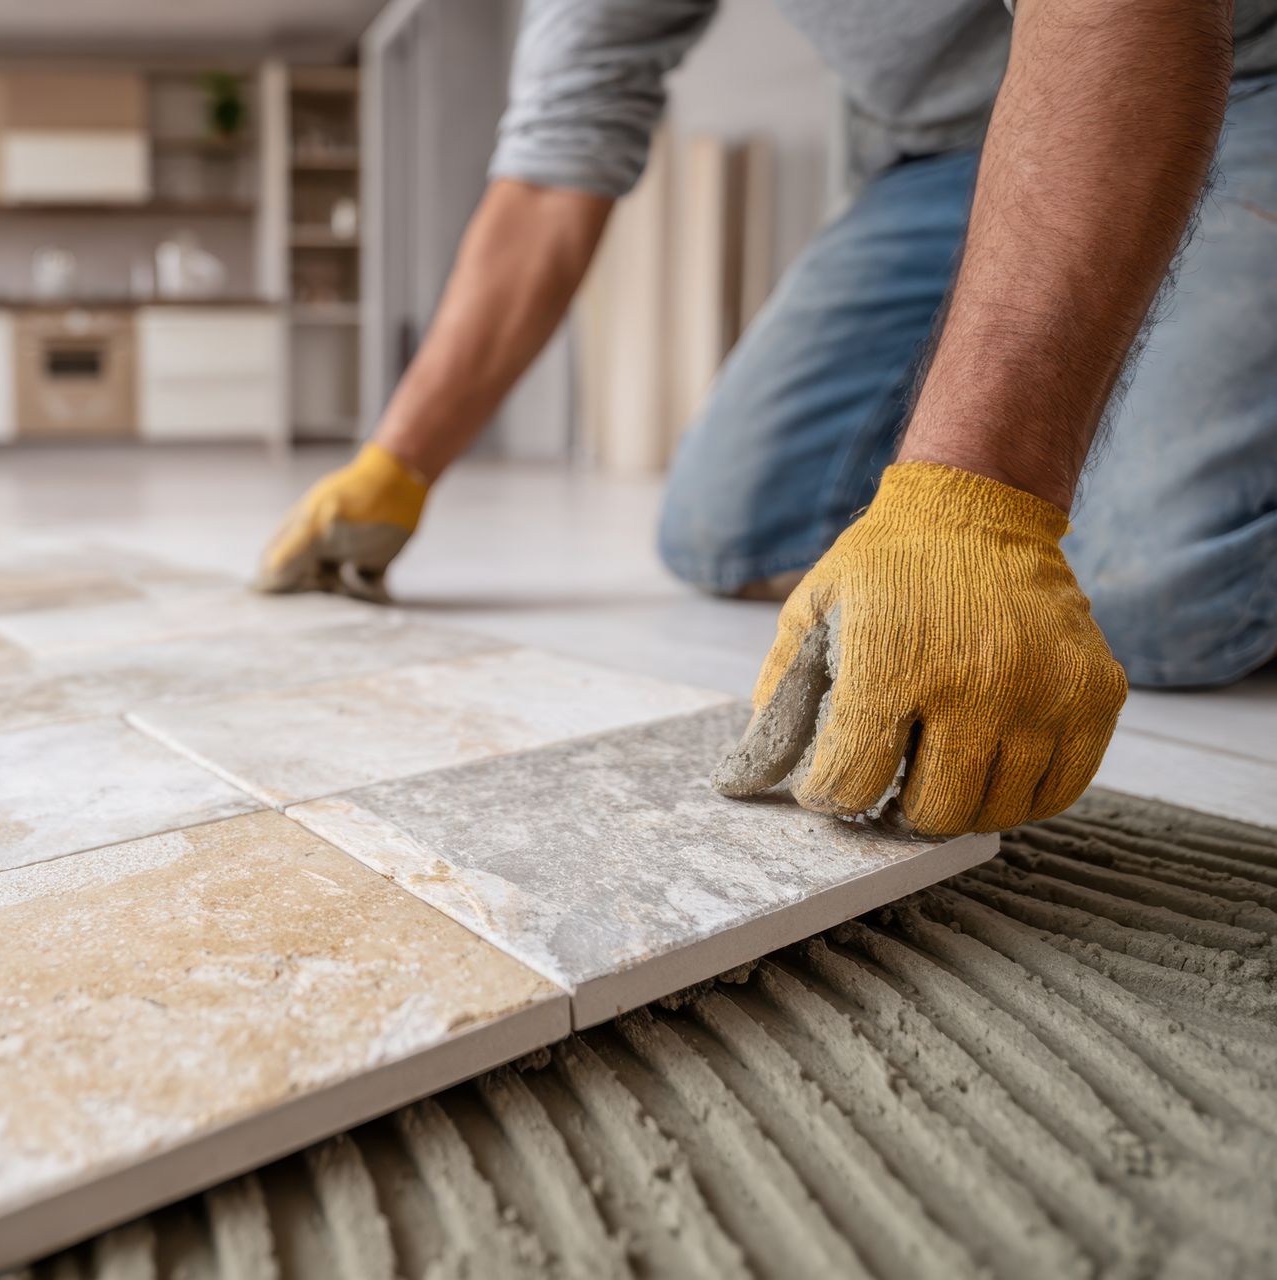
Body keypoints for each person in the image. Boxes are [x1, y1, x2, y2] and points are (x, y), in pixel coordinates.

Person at [255, 0, 1277, 838]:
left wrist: (976, 503)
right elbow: (548, 174)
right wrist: (397, 464)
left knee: (1154, 595)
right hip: (939, 153)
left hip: (1221, 60)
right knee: (722, 529)